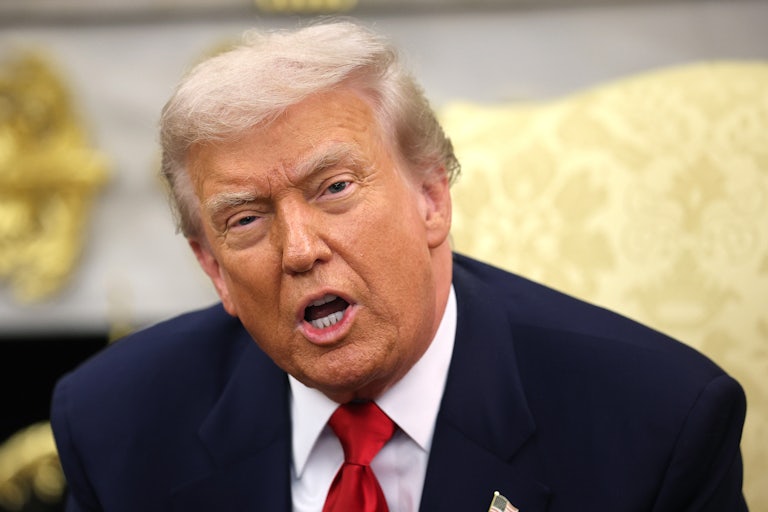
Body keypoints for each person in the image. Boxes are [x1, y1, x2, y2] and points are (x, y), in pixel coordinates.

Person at [50, 19, 748, 512]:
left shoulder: (656, 423)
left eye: (335, 189)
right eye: (246, 220)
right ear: (213, 269)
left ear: (431, 199)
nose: (300, 250)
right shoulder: (117, 424)